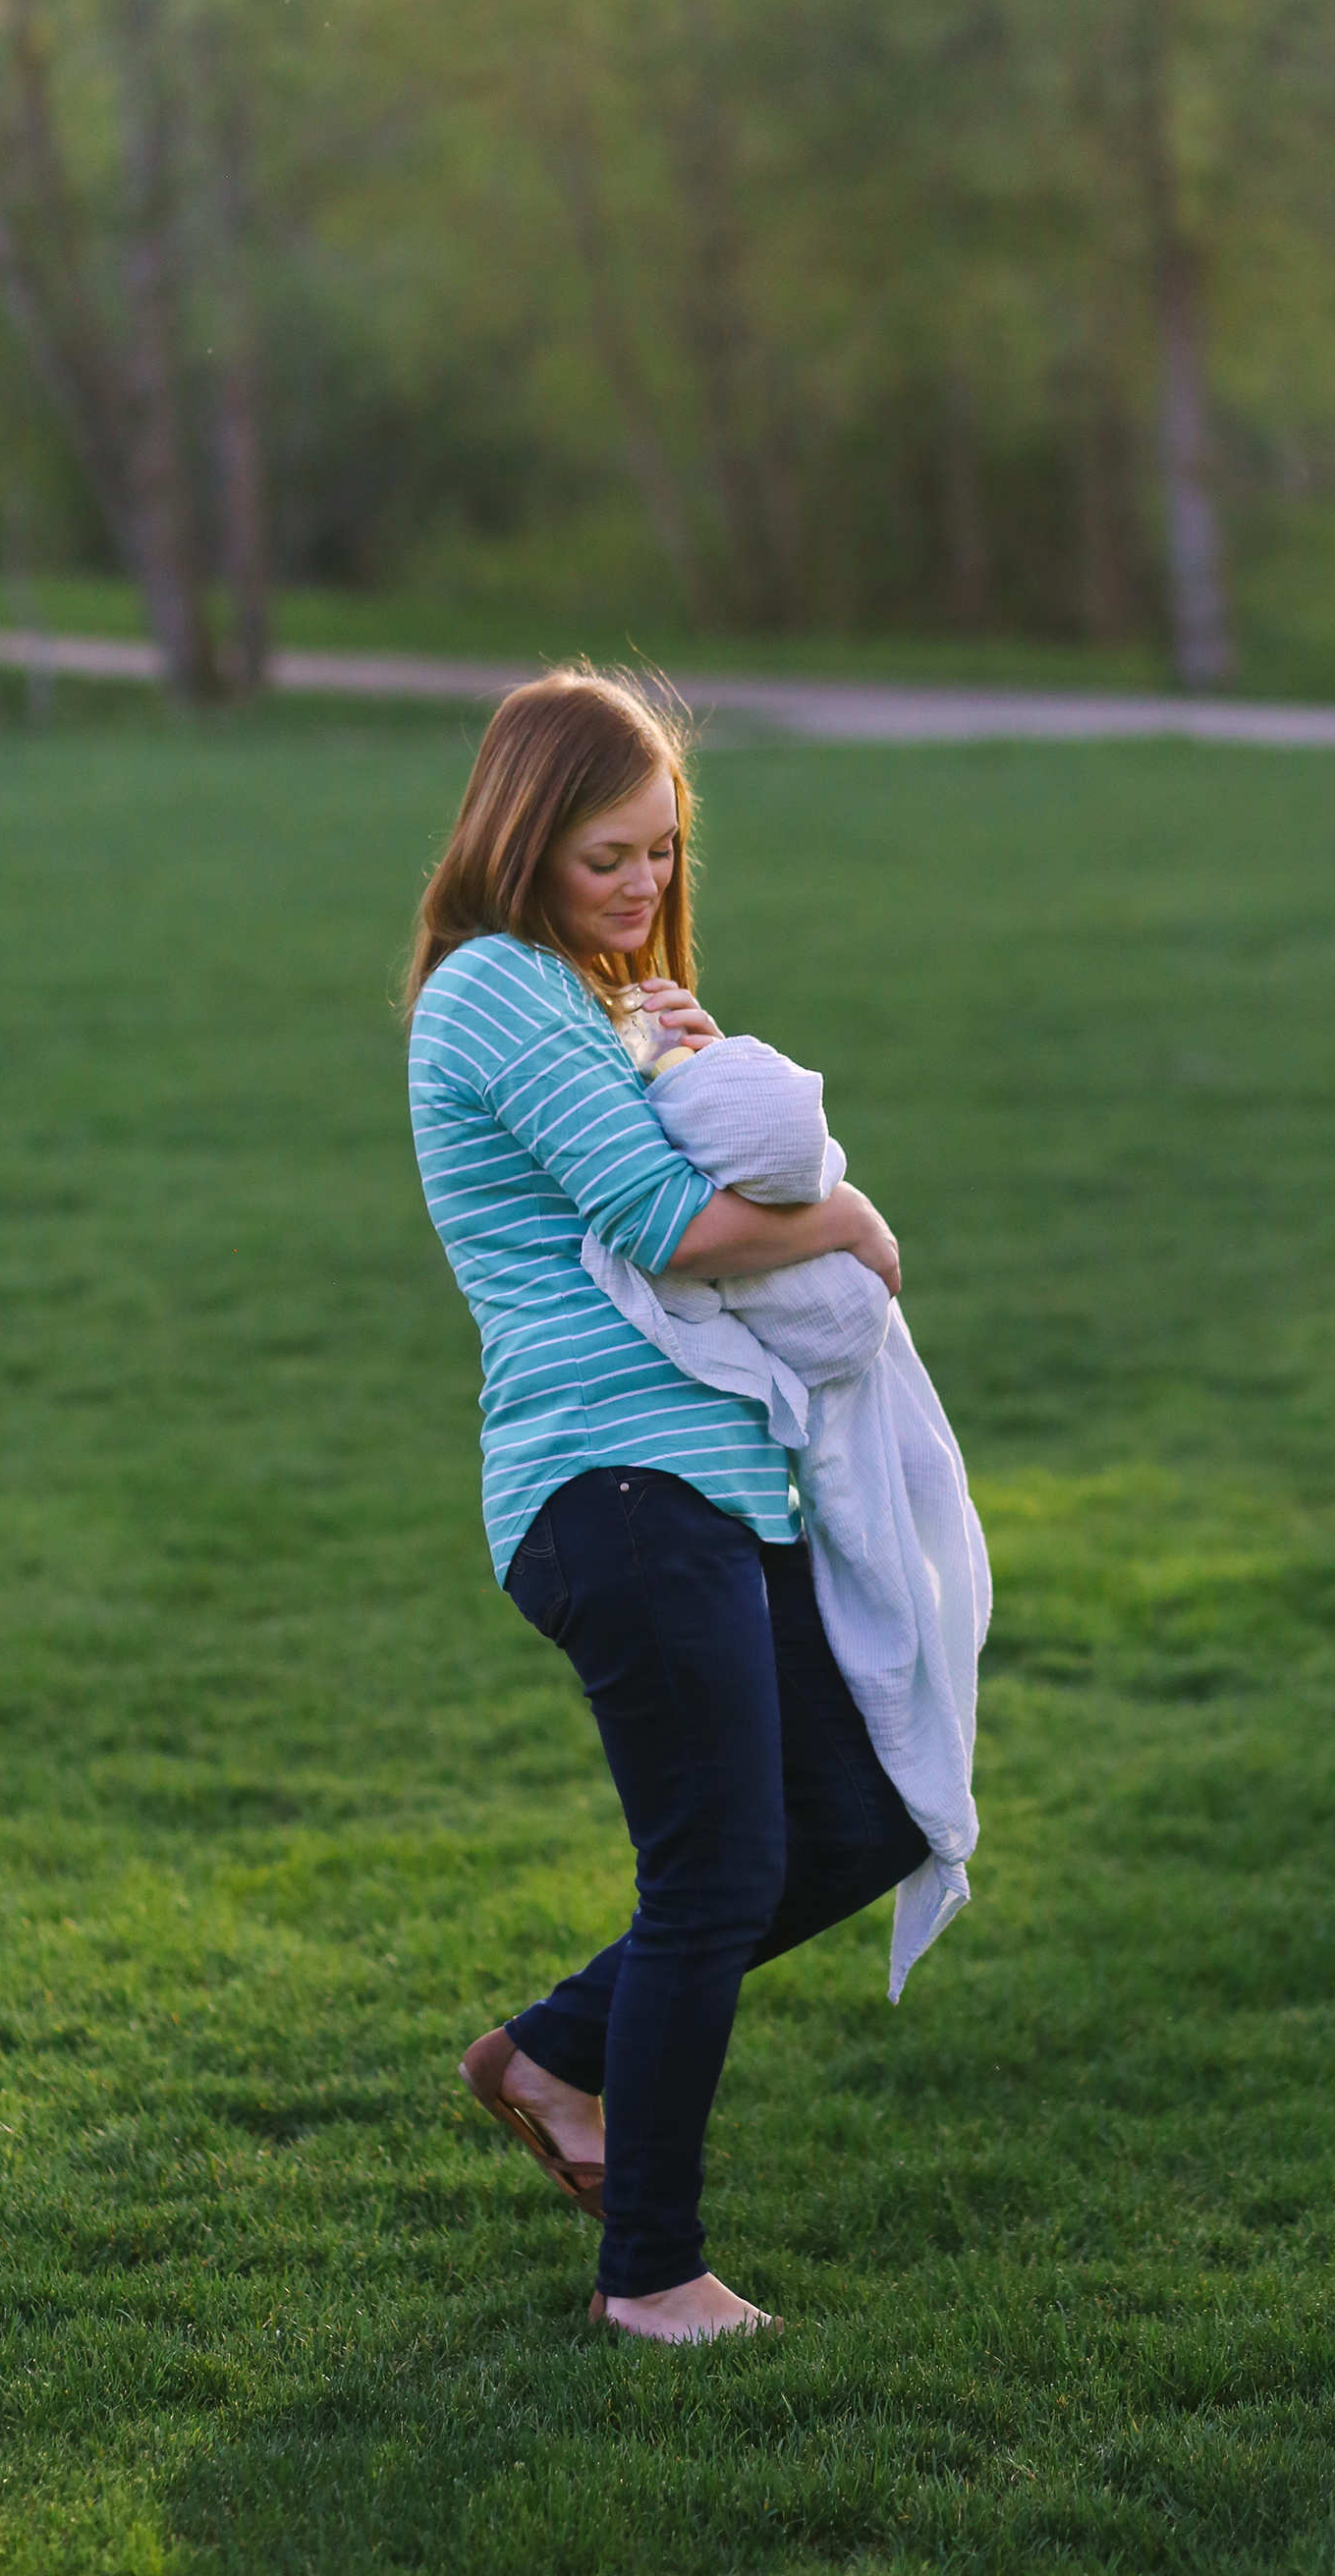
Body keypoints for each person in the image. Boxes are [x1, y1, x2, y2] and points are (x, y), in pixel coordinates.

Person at [399, 668, 927, 2344]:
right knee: (713, 1872)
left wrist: (688, 1055)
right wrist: (847, 1227)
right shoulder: (491, 990)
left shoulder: (602, 999)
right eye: (605, 856)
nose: (640, 888)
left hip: (712, 1473)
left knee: (868, 1816)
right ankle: (652, 2274)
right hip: (605, 1485)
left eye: (660, 853)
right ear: (520, 837)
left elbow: (707, 1161)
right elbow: (668, 1222)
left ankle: (555, 2052)